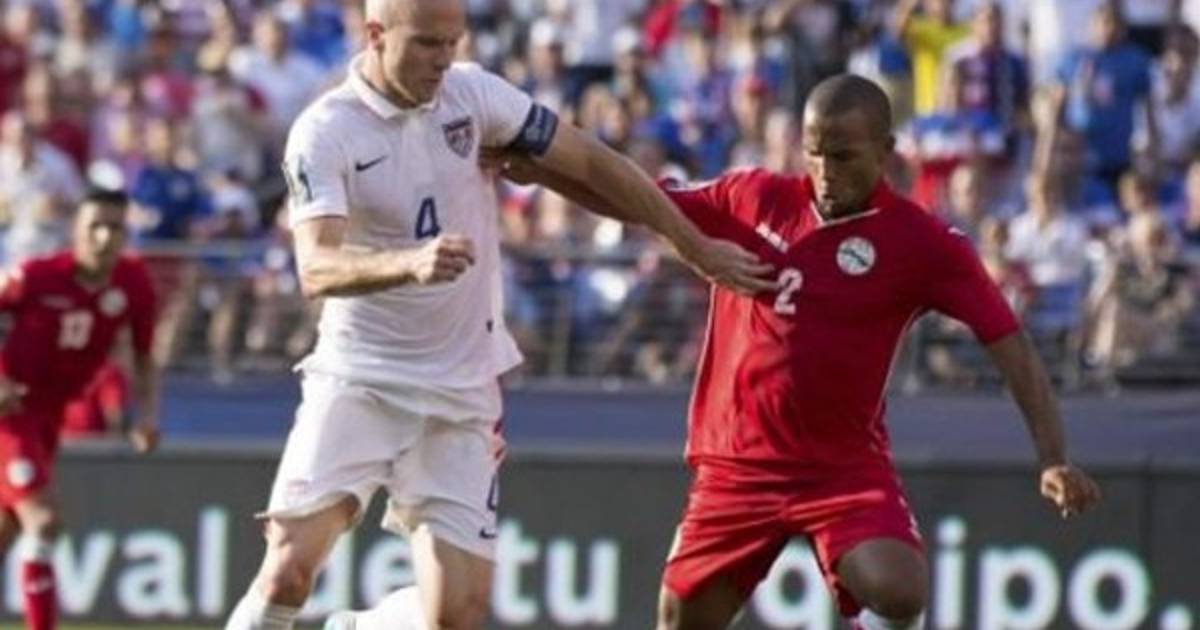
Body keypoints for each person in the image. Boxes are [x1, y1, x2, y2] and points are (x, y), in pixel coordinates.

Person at [223, 1, 772, 630]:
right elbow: (315, 267)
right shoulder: (327, 130)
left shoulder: (474, 96)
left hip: (462, 388)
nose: (444, 60)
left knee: (454, 616)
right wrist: (409, 263)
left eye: (452, 42)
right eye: (427, 44)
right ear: (376, 35)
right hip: (361, 375)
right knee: (290, 568)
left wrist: (691, 245)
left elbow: (590, 163)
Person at [493, 74, 1101, 630]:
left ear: (886, 151)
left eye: (844, 156)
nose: (825, 172)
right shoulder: (753, 198)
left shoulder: (925, 244)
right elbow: (639, 200)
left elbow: (1010, 344)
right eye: (815, 152)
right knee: (679, 620)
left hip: (841, 468)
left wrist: (1053, 457)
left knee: (899, 588)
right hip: (737, 466)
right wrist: (545, 174)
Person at [0, 188, 160, 630]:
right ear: (75, 229)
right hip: (11, 413)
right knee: (44, 520)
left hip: (51, 416)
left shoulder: (133, 284)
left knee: (9, 530)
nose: (104, 236)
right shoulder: (36, 275)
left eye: (115, 227)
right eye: (95, 226)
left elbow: (144, 355)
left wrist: (147, 415)